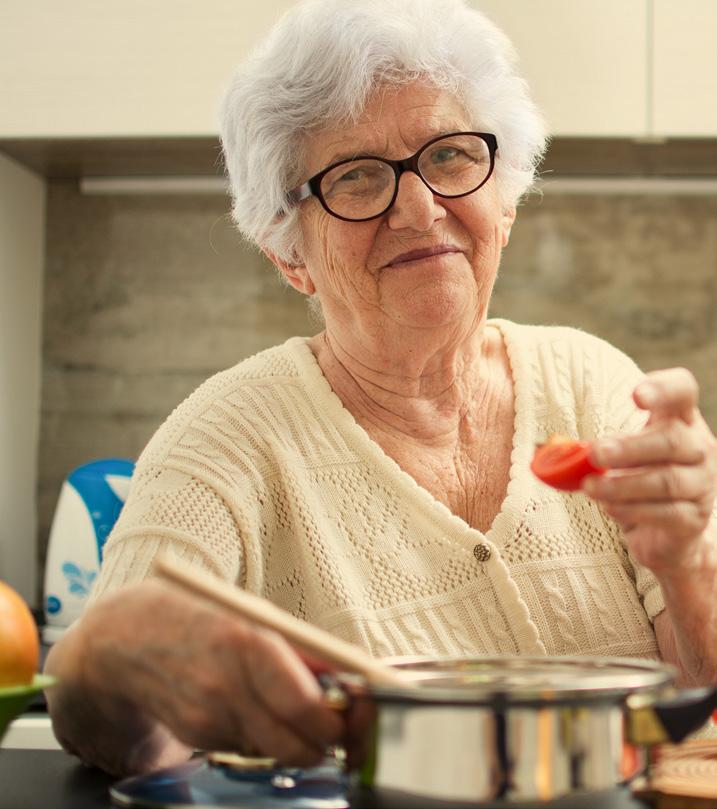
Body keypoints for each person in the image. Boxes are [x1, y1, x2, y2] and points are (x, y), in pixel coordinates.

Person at [45, 0, 717, 778]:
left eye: (450, 157)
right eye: (356, 177)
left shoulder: (597, 386)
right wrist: (107, 653)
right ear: (288, 253)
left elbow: (701, 704)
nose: (420, 207)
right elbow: (99, 711)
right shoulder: (226, 439)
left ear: (502, 201)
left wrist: (691, 559)